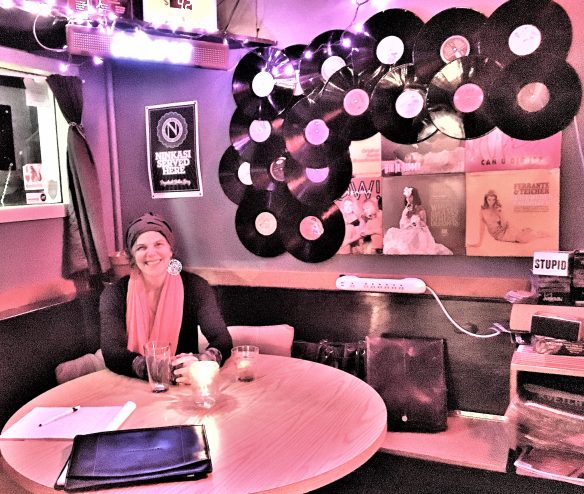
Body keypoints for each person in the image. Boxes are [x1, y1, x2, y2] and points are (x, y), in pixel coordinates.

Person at [100, 212, 232, 384]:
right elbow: (111, 352)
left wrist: (200, 362)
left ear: (171, 250)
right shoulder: (114, 294)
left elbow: (222, 339)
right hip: (134, 384)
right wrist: (156, 369)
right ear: (132, 256)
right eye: (141, 248)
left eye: (158, 244)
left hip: (185, 384)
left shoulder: (195, 286)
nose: (151, 253)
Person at [383, 186, 453, 255]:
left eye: (410, 197)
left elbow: (424, 224)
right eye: (407, 197)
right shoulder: (406, 209)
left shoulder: (420, 209)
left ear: (415, 197)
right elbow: (402, 222)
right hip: (407, 231)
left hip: (418, 232)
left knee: (416, 242)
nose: (408, 199)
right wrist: (407, 225)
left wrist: (417, 223)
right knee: (392, 233)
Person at [469, 190, 548, 246]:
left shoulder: (498, 209)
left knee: (522, 240)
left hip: (506, 228)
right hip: (498, 235)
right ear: (486, 200)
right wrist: (479, 243)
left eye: (493, 200)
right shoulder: (482, 211)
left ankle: (537, 234)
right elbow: (482, 227)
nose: (491, 202)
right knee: (521, 239)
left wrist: (501, 213)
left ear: (496, 200)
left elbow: (504, 224)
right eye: (489, 200)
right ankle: (529, 232)